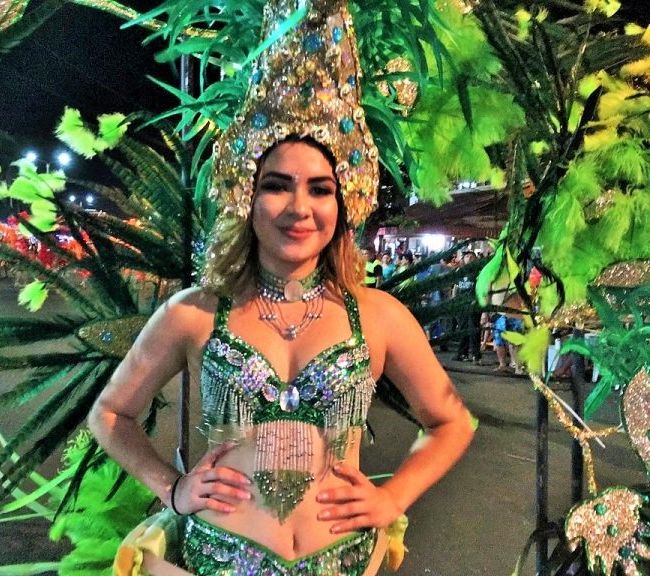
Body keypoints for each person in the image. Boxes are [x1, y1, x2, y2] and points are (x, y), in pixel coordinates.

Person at [89, 2, 473, 574]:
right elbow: (110, 414)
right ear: (247, 196)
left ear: (344, 202)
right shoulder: (194, 314)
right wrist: (172, 489)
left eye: (320, 189)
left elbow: (452, 422)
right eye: (276, 185)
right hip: (217, 560)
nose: (299, 208)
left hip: (344, 559)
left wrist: (392, 498)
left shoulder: (378, 316)